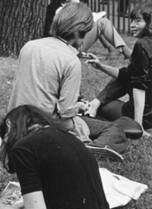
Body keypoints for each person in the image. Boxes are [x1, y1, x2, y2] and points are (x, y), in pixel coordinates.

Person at [8, 2, 130, 161]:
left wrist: (77, 106)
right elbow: (65, 116)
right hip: (45, 128)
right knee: (115, 130)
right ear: (81, 32)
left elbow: (37, 90)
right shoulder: (70, 61)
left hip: (16, 123)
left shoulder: (29, 46)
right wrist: (79, 127)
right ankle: (85, 148)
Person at [87, 5, 152, 135]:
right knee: (127, 75)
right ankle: (95, 102)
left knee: (105, 107)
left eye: (138, 21)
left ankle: (95, 103)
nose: (132, 25)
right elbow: (126, 75)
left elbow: (139, 87)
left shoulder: (142, 45)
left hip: (146, 116)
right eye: (131, 21)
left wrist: (138, 125)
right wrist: (100, 66)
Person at [53, 0, 131, 58]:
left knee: (101, 22)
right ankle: (125, 51)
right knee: (102, 22)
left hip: (74, 43)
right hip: (71, 47)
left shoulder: (72, 5)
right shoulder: (59, 9)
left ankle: (117, 49)